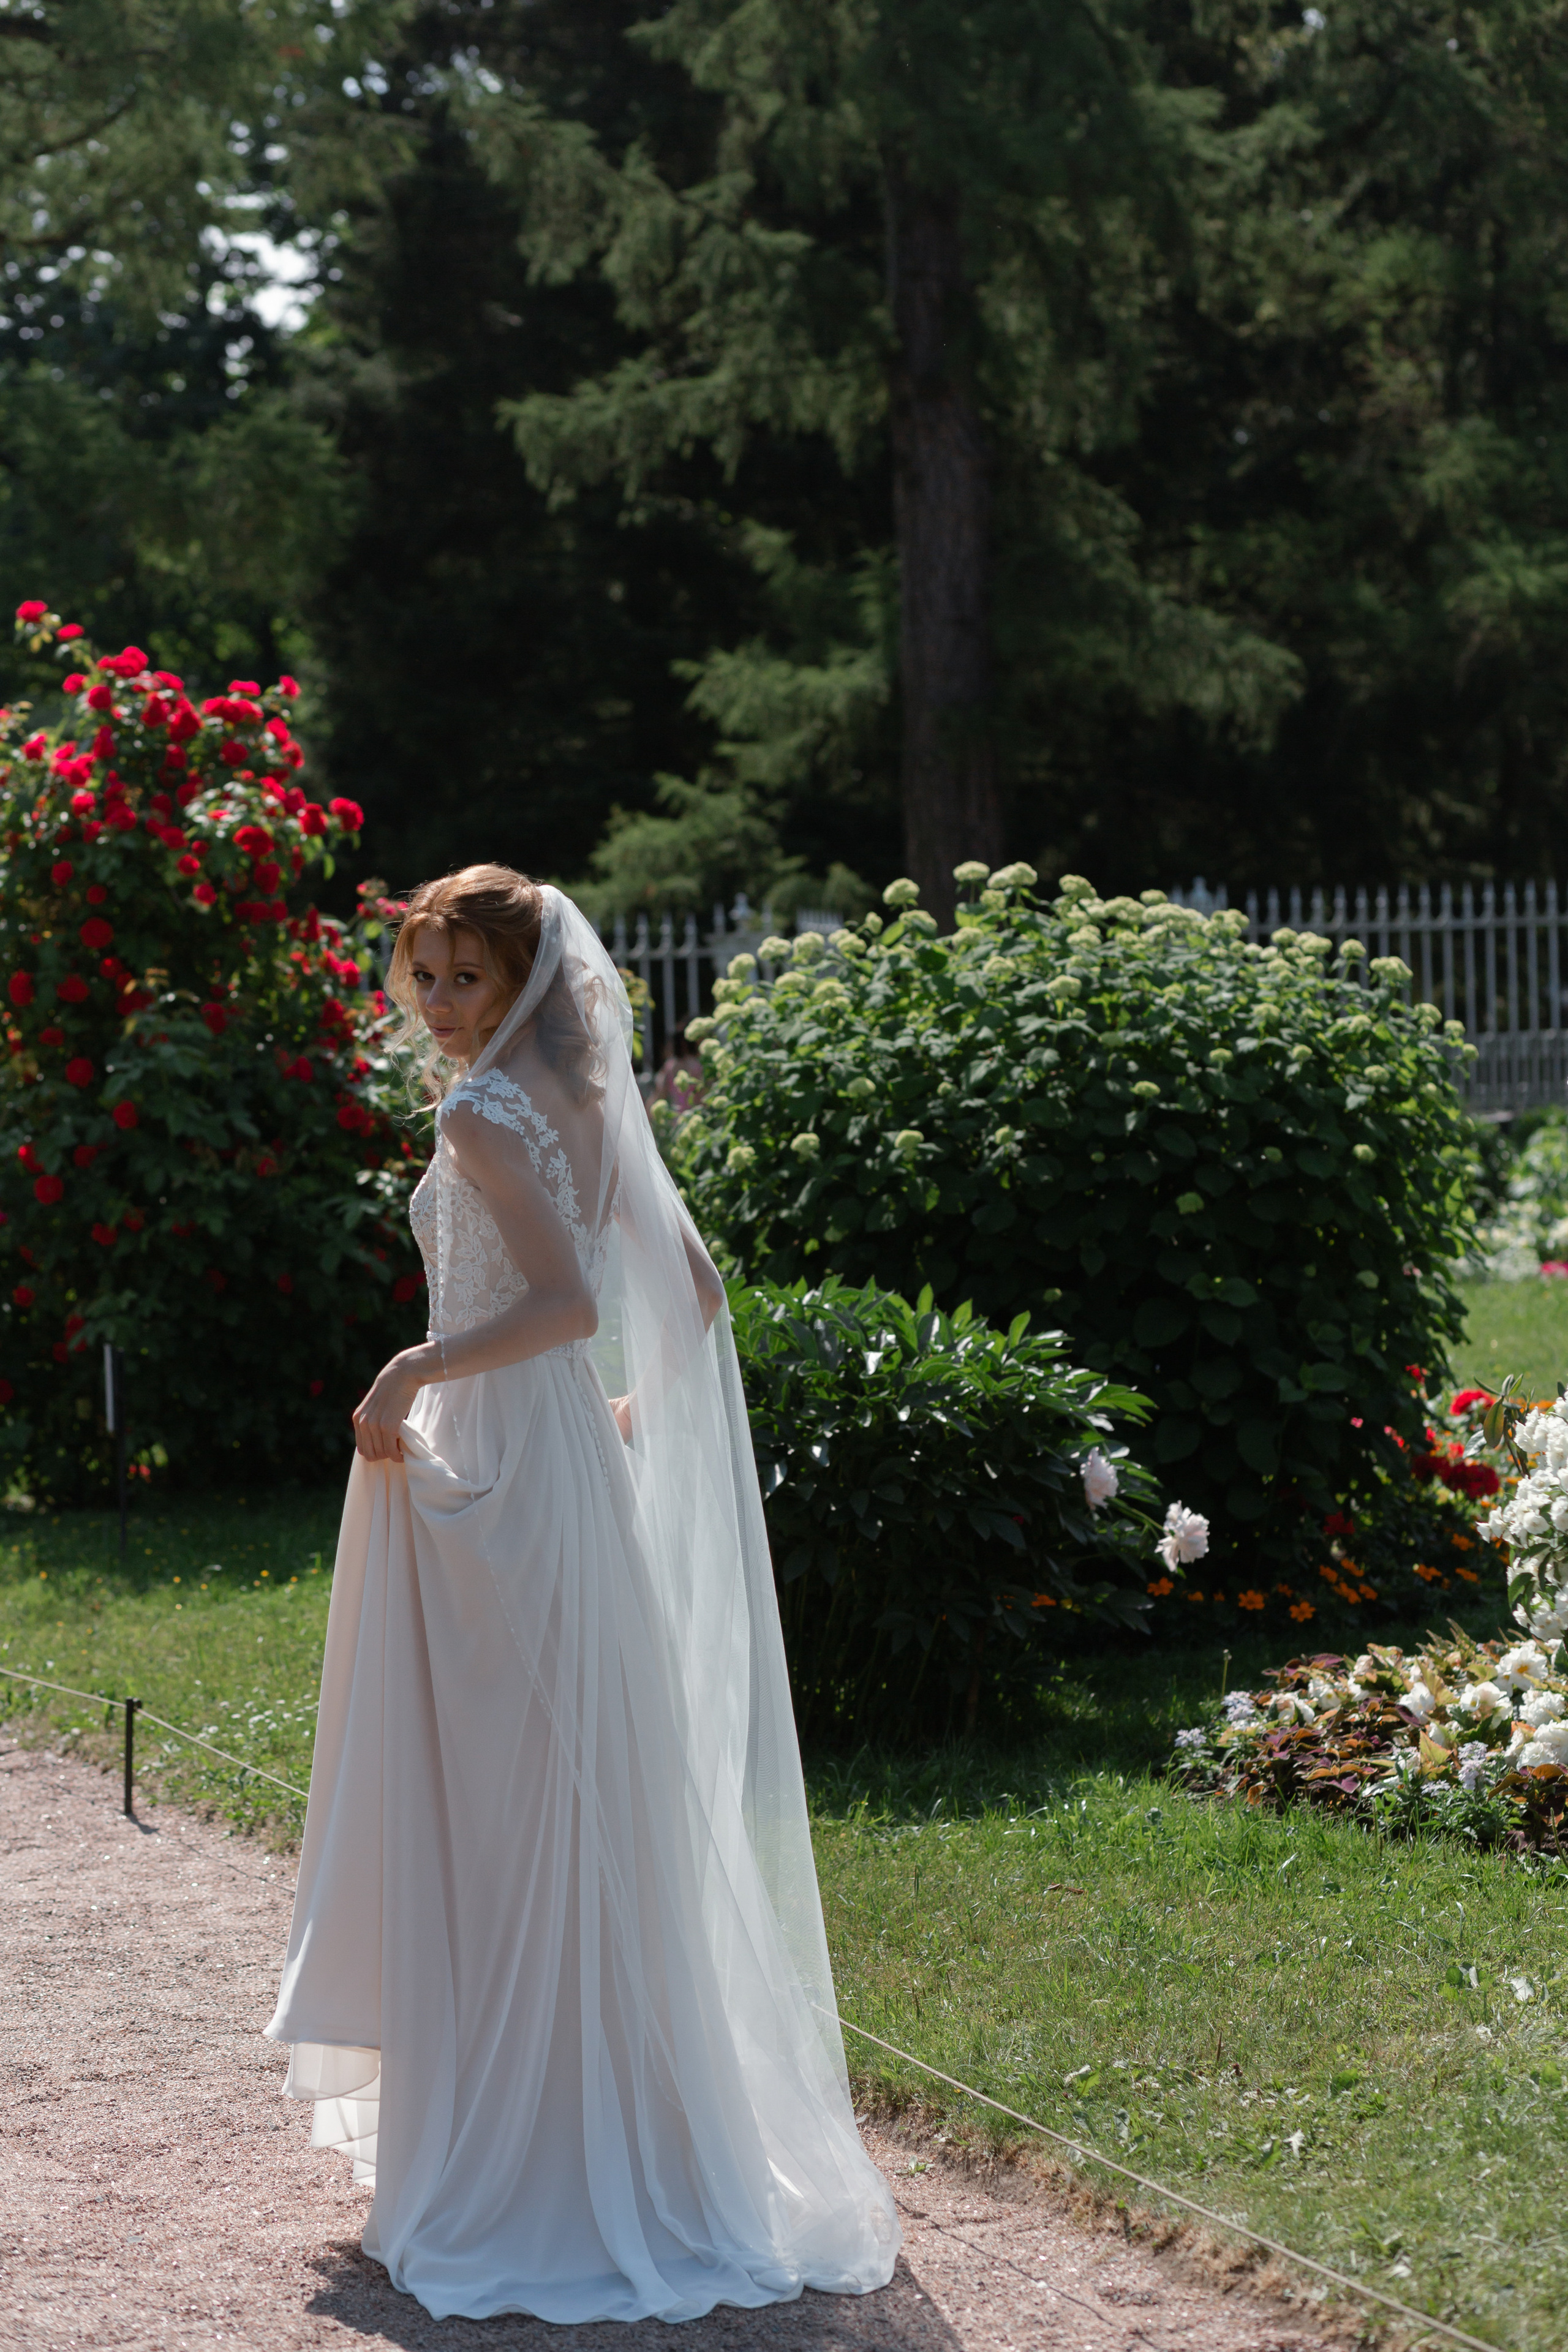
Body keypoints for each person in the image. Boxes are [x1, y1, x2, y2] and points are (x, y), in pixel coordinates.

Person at [265, 865, 898, 2324]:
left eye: (461, 980)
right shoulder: (600, 1109)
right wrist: (614, 1418)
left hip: (500, 1460)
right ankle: (606, 2137)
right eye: (420, 976)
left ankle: (525, 2165)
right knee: (570, 1796)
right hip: (553, 1465)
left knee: (505, 1808)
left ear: (519, 984)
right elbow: (696, 1296)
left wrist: (415, 1367)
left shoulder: (480, 1112)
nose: (432, 1005)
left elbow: (562, 1304)